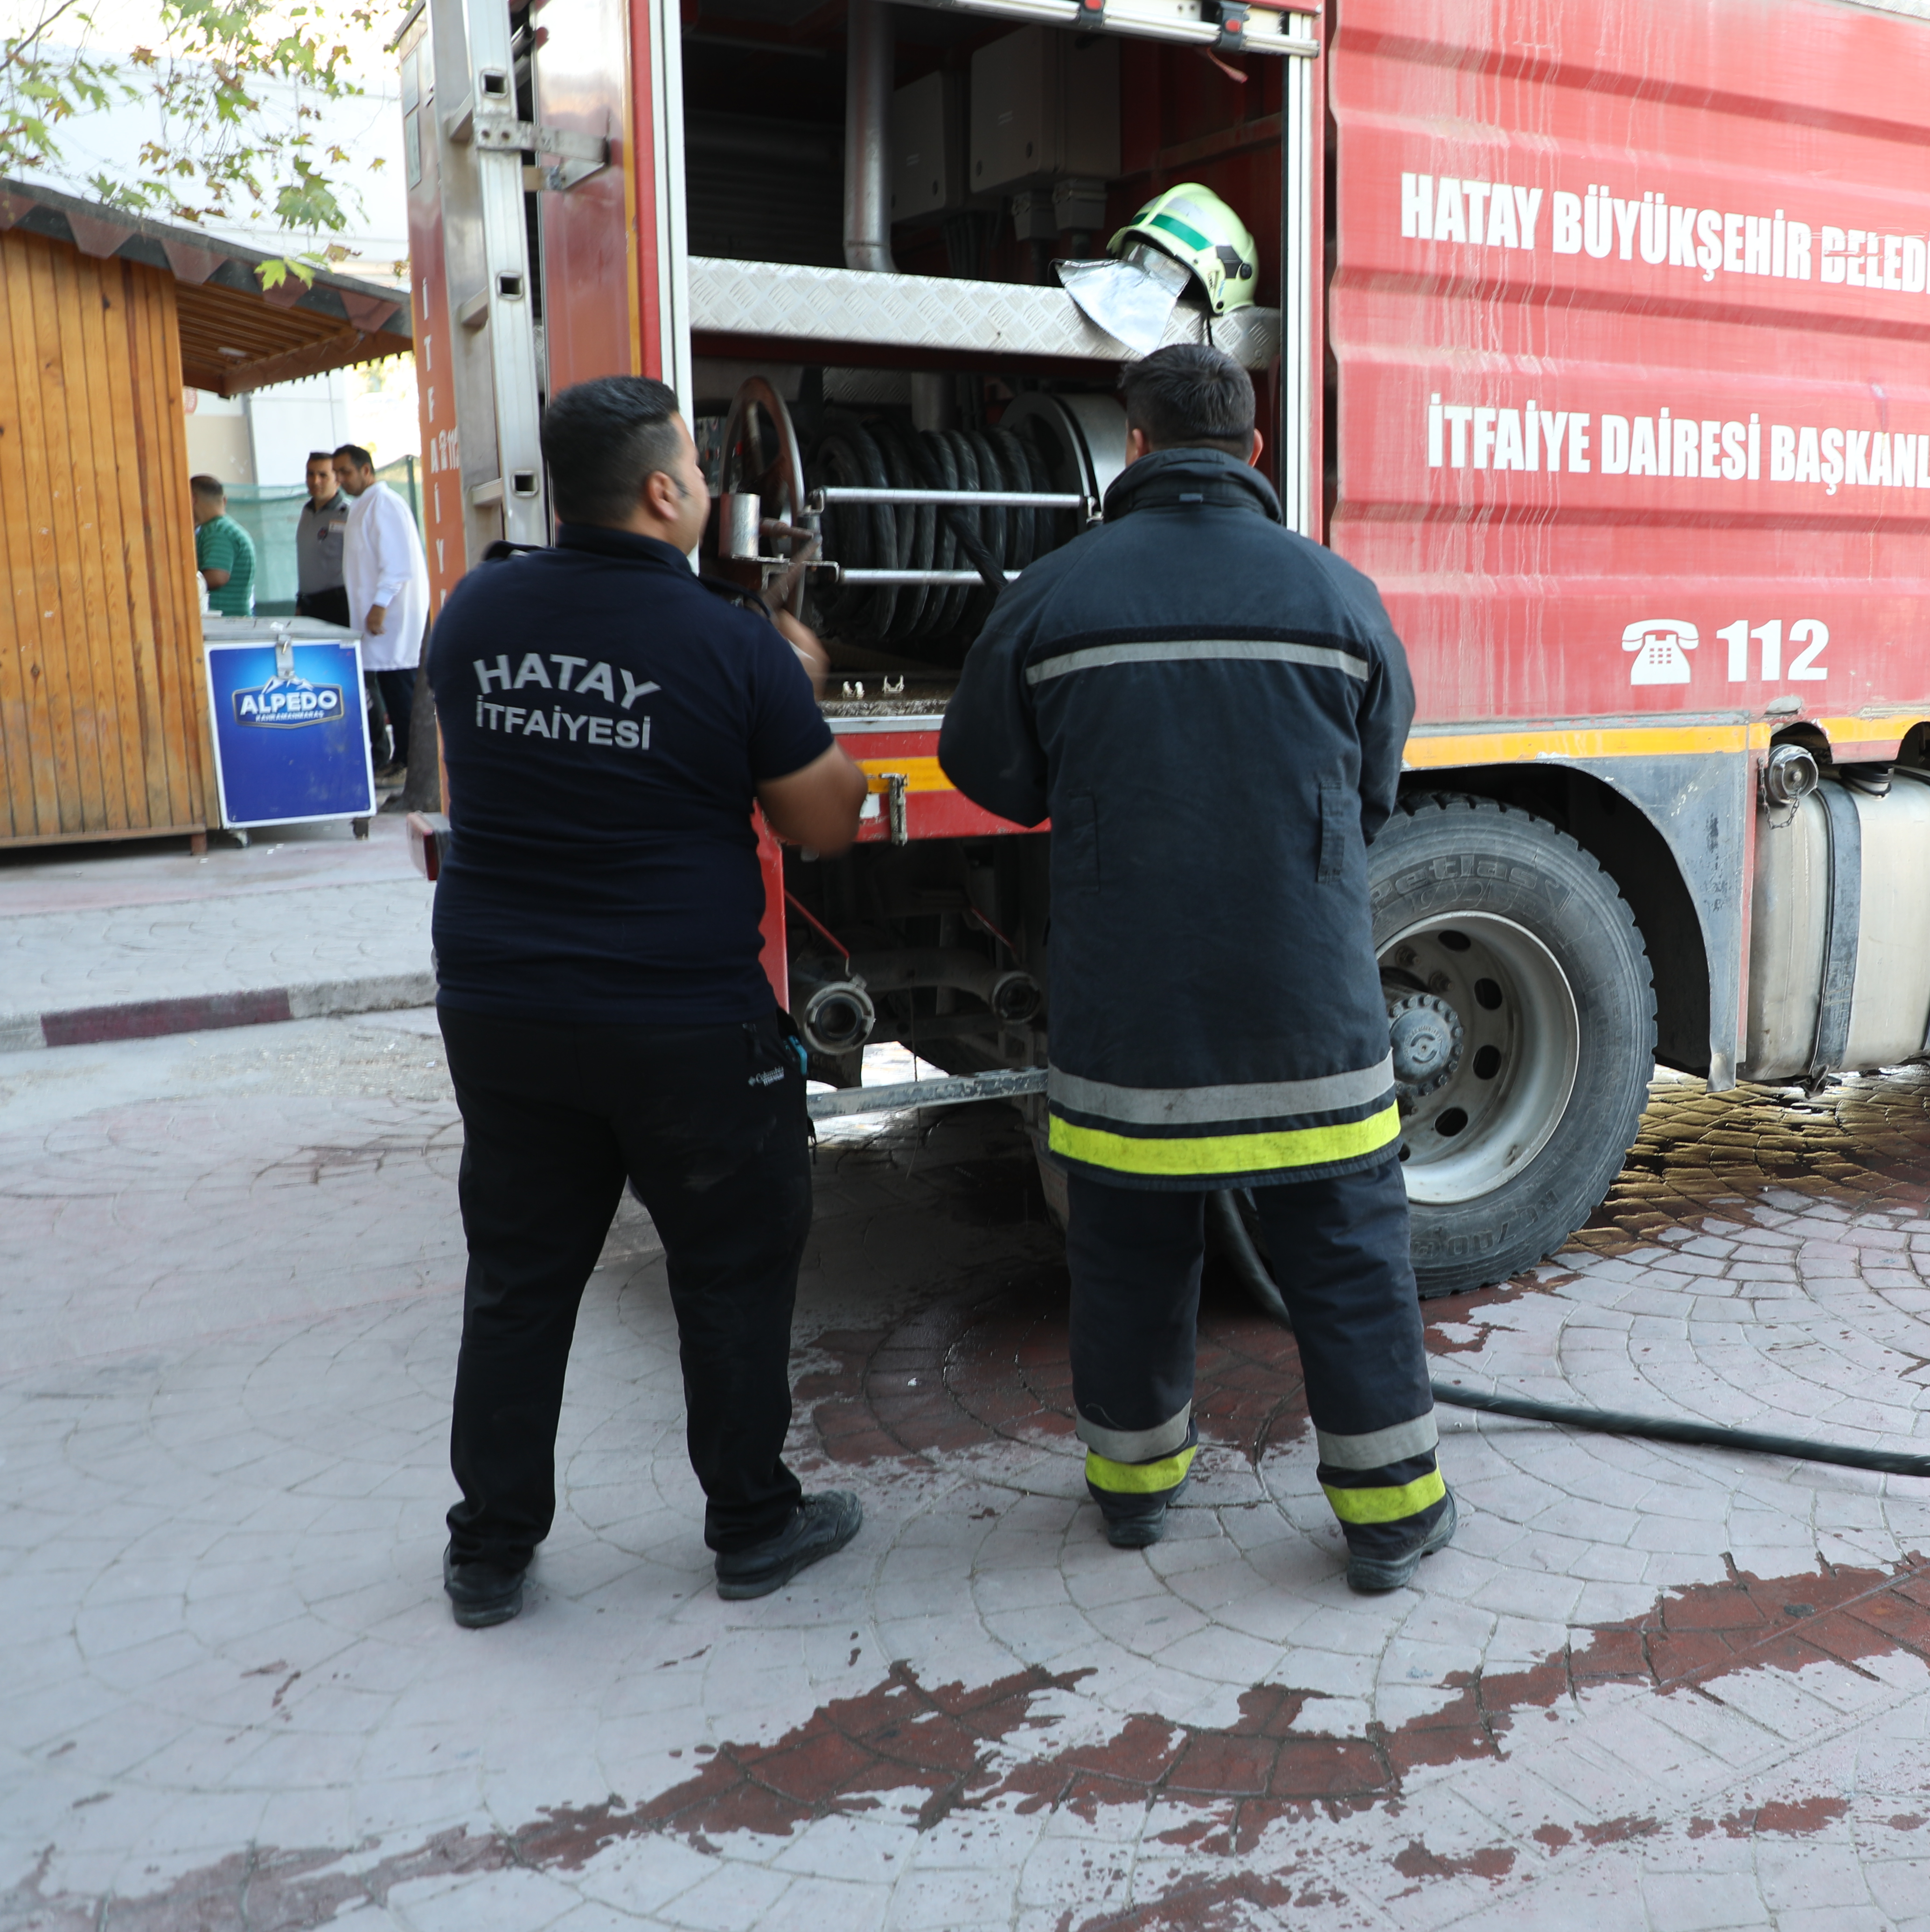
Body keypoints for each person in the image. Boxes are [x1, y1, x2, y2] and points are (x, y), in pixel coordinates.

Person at [941, 344, 1451, 1593]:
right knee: (1344, 1253)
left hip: (1131, 1019)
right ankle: (1389, 1521)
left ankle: (1133, 1494)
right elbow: (1376, 787)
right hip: (1308, 1014)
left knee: (1126, 1258)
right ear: (1255, 452)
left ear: (1136, 445)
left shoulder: (1054, 594)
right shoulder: (1339, 596)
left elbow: (987, 771)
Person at [422, 374, 871, 1629]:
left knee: (518, 1276)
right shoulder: (732, 642)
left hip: (502, 1008)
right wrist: (802, 679)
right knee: (729, 1270)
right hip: (683, 1021)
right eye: (700, 470)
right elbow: (822, 821)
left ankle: (490, 1553)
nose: (714, 490)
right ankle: (753, 1526)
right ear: (666, 490)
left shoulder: (475, 611)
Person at [337, 446, 429, 774]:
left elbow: (397, 565)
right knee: (391, 691)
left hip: (392, 617)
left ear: (366, 470)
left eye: (345, 471)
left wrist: (379, 607)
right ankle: (401, 757)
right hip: (376, 617)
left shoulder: (384, 504)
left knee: (402, 692)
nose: (340, 479)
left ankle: (409, 759)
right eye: (338, 473)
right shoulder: (362, 507)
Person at [293, 451, 354, 628]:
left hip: (338, 604)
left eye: (323, 475)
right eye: (311, 474)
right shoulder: (306, 512)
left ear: (337, 479)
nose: (315, 481)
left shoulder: (348, 514)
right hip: (309, 604)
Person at [190, 476, 257, 617]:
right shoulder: (225, 528)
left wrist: (181, 588)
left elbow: (218, 576)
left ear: (193, 499)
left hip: (224, 622)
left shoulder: (217, 531)